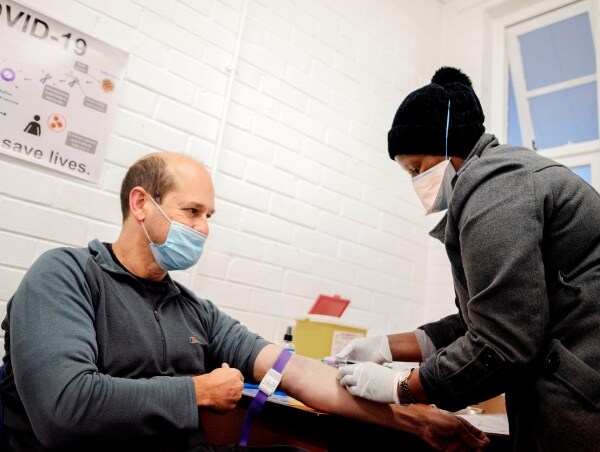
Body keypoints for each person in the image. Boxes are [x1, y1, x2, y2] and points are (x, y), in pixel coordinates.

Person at [0, 152, 489, 451]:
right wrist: (196, 392)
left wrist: (414, 415)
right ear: (140, 204)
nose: (204, 228)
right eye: (191, 211)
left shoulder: (195, 310)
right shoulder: (65, 275)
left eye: (208, 214)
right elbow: (64, 409)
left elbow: (298, 373)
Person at [335, 66, 600, 451]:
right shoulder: (501, 180)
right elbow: (479, 320)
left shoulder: (495, 187)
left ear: (448, 143)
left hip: (583, 400)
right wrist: (384, 347)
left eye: (417, 168)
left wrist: (402, 386)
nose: (415, 182)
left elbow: (502, 342)